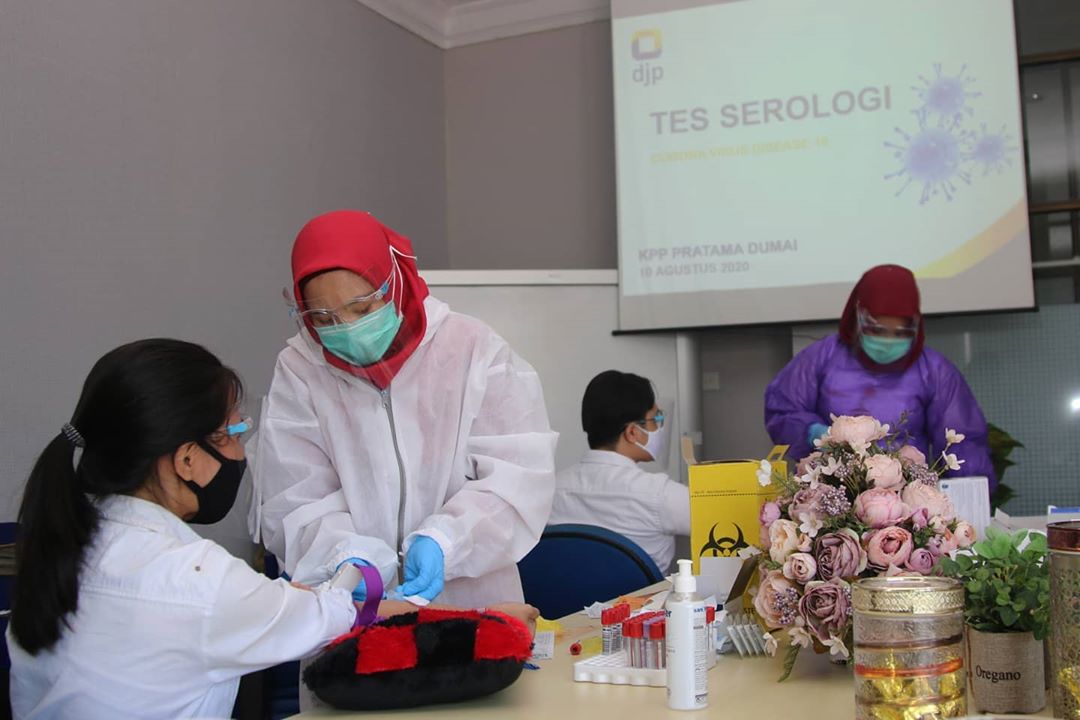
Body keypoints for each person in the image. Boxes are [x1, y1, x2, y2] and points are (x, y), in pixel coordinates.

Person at [252, 210, 557, 609]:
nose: (346, 328)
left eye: (361, 309)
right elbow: (294, 496)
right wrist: (344, 556)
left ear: (393, 281)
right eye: (323, 319)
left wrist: (447, 540)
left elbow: (518, 477)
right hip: (358, 608)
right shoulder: (302, 369)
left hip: (471, 600)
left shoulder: (471, 349)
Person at [764, 264, 995, 489]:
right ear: (858, 316)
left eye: (900, 333)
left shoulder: (933, 370)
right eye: (877, 330)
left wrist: (970, 495)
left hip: (908, 498)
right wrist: (813, 433)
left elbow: (963, 442)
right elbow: (783, 409)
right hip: (833, 493)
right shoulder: (822, 357)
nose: (887, 341)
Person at [548, 371, 689, 573]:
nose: (659, 426)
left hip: (564, 595)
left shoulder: (550, 491)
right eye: (655, 419)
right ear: (632, 432)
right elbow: (727, 521)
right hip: (643, 595)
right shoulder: (661, 494)